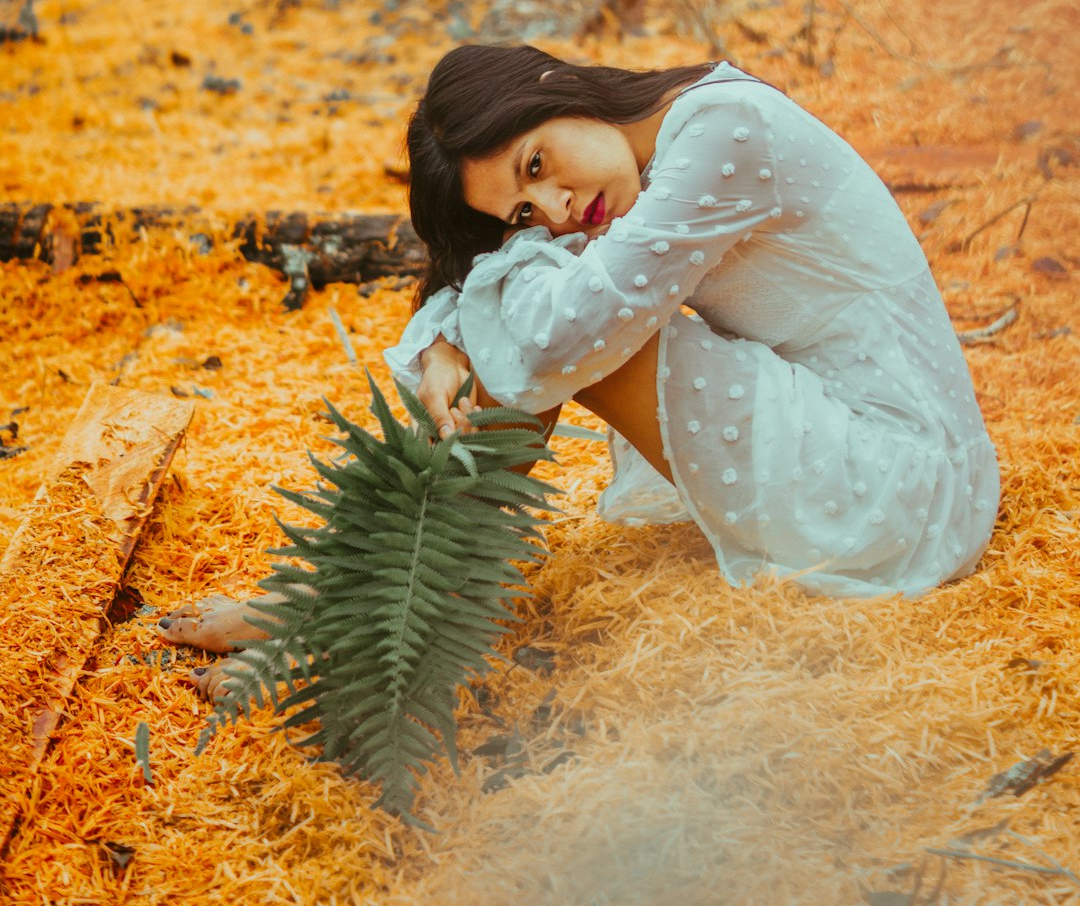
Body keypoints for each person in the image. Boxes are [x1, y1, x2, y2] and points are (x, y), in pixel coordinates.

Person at [159, 45, 1000, 686]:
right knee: (538, 329)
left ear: (553, 87)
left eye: (536, 164)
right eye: (524, 210)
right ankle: (371, 602)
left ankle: (371, 613)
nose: (559, 208)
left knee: (556, 344)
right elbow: (547, 298)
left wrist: (466, 329)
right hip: (872, 449)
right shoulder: (668, 138)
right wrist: (450, 335)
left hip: (907, 486)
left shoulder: (722, 135)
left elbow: (565, 335)